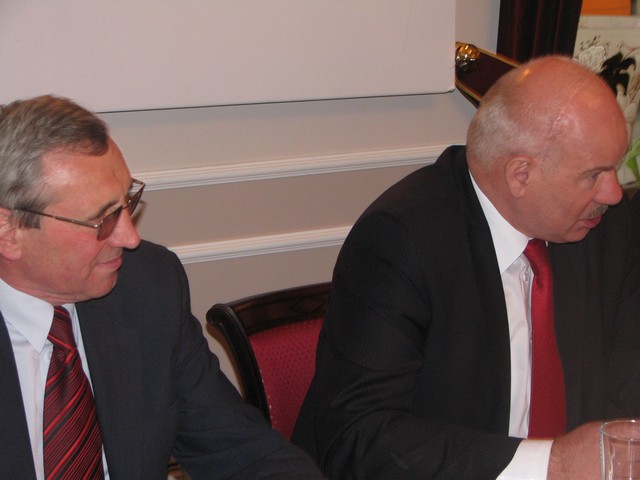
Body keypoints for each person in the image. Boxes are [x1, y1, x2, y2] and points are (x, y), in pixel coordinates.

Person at [292, 55, 640, 479]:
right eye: (594, 175)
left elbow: (629, 376)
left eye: (615, 167)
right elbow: (359, 437)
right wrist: (554, 464)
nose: (613, 193)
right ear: (521, 174)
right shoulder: (403, 242)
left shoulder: (606, 227)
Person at [0, 95, 325, 480]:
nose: (130, 237)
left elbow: (240, 450)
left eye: (127, 202)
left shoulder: (145, 284)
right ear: (9, 232)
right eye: (102, 221)